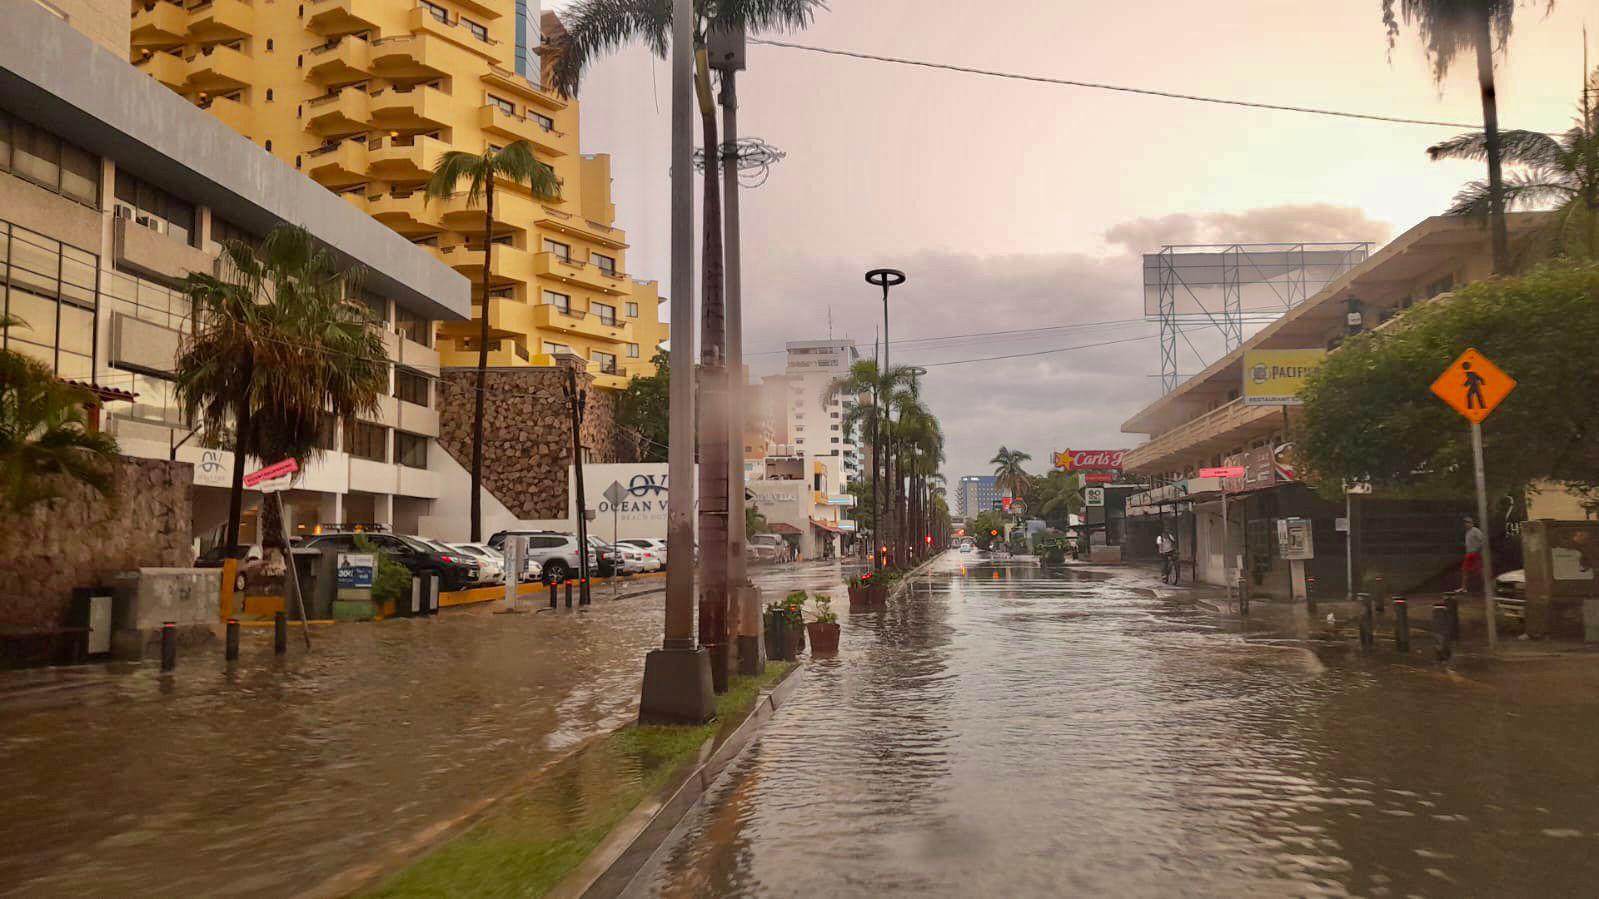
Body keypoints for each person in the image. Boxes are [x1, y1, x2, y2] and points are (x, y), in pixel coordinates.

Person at [1461, 515, 1485, 592]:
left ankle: (1486, 588)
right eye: (1465, 522)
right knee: (1465, 570)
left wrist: (1478, 550)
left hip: (1475, 554)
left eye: (1468, 522)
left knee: (1480, 571)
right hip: (1469, 554)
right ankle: (1464, 588)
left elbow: (1483, 541)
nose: (1466, 524)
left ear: (1472, 523)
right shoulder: (1467, 532)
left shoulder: (1476, 530)